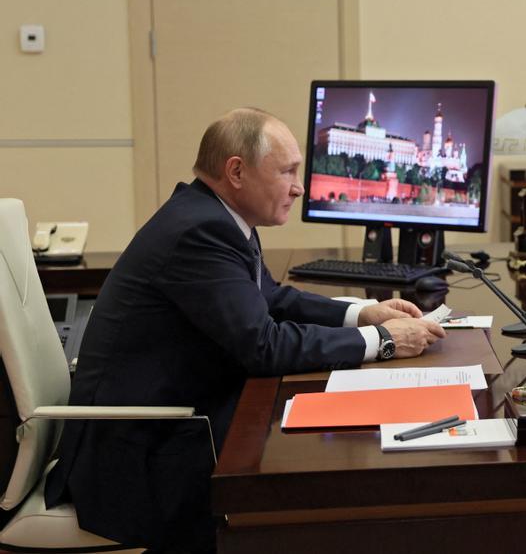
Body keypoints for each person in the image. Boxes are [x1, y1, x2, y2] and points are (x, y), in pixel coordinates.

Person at [45, 108, 446, 551]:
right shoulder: (200, 230)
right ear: (236, 171)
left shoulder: (215, 216)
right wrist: (384, 342)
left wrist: (363, 314)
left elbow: (271, 299)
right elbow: (264, 344)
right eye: (288, 172)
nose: (298, 187)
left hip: (178, 419)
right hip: (141, 456)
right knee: (314, 485)